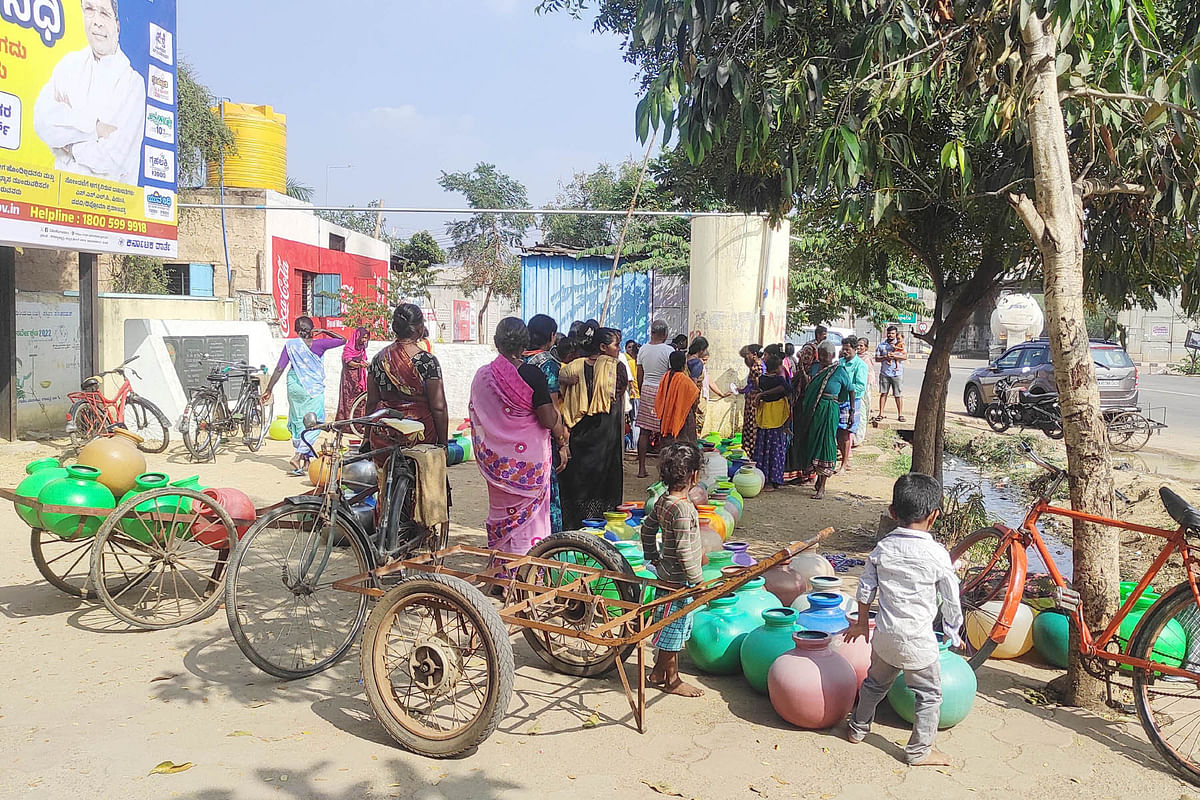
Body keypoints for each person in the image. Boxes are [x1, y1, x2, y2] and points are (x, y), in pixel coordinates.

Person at [844, 472, 963, 767]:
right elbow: (951, 597)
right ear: (934, 516)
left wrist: (861, 622)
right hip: (919, 644)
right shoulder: (937, 555)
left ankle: (858, 728)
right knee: (929, 696)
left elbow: (865, 589)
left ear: (892, 512)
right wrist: (952, 629)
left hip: (884, 637)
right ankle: (919, 751)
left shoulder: (882, 549)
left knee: (873, 684)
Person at [472, 318, 570, 555]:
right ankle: (529, 573)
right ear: (524, 342)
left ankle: (502, 571)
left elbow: (481, 413)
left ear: (496, 342)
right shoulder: (531, 374)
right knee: (531, 520)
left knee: (501, 514)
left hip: (497, 464)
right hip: (528, 465)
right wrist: (562, 438)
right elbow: (547, 419)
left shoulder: (483, 375)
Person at [33, 0, 146, 184]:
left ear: (117, 26)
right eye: (90, 10)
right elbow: (42, 121)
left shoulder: (132, 84)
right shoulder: (69, 64)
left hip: (108, 204)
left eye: (104, 13)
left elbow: (112, 157)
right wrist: (96, 128)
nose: (97, 21)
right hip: (59, 200)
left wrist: (69, 145)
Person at [641, 442, 705, 698]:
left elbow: (647, 529)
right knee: (674, 630)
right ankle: (673, 681)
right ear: (694, 475)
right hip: (679, 581)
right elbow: (684, 551)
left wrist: (653, 558)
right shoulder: (682, 508)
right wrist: (698, 582)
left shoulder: (663, 501)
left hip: (665, 574)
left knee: (672, 626)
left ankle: (658, 672)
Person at [558, 324, 627, 528]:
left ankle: (575, 525)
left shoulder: (573, 366)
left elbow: (560, 392)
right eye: (616, 346)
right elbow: (619, 391)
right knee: (605, 482)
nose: (619, 350)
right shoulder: (616, 368)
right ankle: (601, 525)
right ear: (604, 347)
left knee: (578, 481)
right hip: (606, 434)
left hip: (578, 433)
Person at [261, 316, 346, 474]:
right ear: (312, 329)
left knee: (300, 421)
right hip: (312, 388)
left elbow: (279, 368)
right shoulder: (319, 344)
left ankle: (306, 463)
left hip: (294, 385)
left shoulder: (291, 345)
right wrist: (325, 331)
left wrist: (269, 389)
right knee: (315, 421)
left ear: (296, 330)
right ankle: (298, 455)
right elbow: (343, 340)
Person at [366, 303, 449, 455]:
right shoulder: (427, 361)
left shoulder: (378, 359)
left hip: (386, 433)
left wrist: (366, 438)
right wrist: (443, 444)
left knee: (383, 476)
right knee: (427, 477)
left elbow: (371, 402)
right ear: (419, 328)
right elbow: (438, 407)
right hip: (420, 433)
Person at [523, 314, 565, 533]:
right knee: (548, 493)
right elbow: (553, 408)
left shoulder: (517, 360)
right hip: (542, 438)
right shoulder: (547, 363)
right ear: (551, 336)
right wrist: (562, 440)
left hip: (518, 437)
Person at [800, 341, 855, 499]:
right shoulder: (816, 368)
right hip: (814, 410)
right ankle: (816, 477)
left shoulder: (839, 370)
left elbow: (850, 390)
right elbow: (809, 386)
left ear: (833, 355)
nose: (824, 358)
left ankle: (822, 486)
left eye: (827, 355)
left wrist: (851, 412)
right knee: (812, 441)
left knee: (826, 443)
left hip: (830, 410)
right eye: (821, 354)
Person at [635, 320, 675, 478]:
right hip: (662, 391)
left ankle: (641, 468)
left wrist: (642, 388)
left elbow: (639, 373)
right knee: (664, 432)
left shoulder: (643, 349)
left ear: (651, 332)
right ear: (665, 334)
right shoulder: (669, 350)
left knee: (644, 431)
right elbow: (671, 374)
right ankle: (664, 470)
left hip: (646, 389)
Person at [752, 354, 792, 491]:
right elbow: (787, 389)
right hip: (776, 416)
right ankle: (773, 479)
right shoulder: (779, 380)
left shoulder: (762, 379)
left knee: (763, 448)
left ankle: (763, 478)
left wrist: (762, 394)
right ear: (777, 368)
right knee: (775, 448)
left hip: (765, 416)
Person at [785, 343, 817, 483]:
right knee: (795, 440)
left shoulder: (815, 370)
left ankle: (807, 473)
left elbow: (809, 385)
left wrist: (803, 371)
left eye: (809, 353)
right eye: (803, 353)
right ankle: (796, 473)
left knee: (806, 440)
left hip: (808, 410)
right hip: (797, 410)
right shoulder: (797, 369)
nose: (805, 356)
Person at [685, 336, 729, 436]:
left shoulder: (686, 359)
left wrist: (721, 394)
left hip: (685, 397)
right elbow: (693, 382)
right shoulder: (697, 363)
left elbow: (709, 380)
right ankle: (694, 443)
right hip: (695, 398)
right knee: (695, 423)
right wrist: (694, 399)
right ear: (701, 350)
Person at [656, 351, 700, 444]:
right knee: (684, 444)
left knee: (668, 444)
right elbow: (695, 396)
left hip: (666, 416)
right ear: (684, 364)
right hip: (682, 417)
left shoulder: (666, 376)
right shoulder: (685, 380)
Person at [838, 336, 868, 470]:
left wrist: (847, 387)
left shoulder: (860, 365)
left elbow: (860, 386)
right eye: (843, 349)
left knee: (846, 432)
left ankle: (845, 464)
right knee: (838, 432)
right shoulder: (840, 362)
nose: (844, 351)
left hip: (851, 402)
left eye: (847, 349)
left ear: (855, 349)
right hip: (839, 401)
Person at [875, 325, 908, 423]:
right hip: (885, 373)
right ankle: (881, 414)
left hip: (897, 373)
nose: (890, 335)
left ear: (895, 334)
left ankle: (900, 414)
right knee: (883, 393)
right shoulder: (881, 345)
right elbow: (877, 358)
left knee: (898, 394)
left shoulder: (900, 344)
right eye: (889, 333)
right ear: (886, 333)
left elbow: (905, 356)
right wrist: (885, 357)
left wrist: (894, 356)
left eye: (893, 333)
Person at [336, 327, 370, 421]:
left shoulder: (362, 348)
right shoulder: (349, 348)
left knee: (360, 399)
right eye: (363, 337)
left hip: (360, 378)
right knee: (349, 400)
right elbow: (348, 361)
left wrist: (366, 364)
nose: (364, 340)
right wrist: (359, 365)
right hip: (349, 379)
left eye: (366, 338)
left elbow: (363, 359)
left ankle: (358, 424)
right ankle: (348, 424)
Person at [737, 344, 765, 448]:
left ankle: (750, 450)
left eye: (748, 354)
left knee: (751, 426)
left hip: (753, 401)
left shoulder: (755, 367)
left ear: (754, 355)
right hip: (755, 399)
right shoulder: (761, 365)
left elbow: (758, 386)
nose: (746, 356)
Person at [857, 337, 877, 435]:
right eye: (858, 345)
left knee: (865, 402)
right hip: (858, 384)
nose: (859, 347)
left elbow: (868, 372)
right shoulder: (855, 356)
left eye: (861, 346)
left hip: (866, 383)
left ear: (866, 347)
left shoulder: (867, 358)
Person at [624, 340, 641, 451]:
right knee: (636, 421)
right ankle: (635, 445)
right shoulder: (638, 364)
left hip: (630, 395)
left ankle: (633, 445)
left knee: (633, 420)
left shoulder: (628, 363)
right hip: (637, 396)